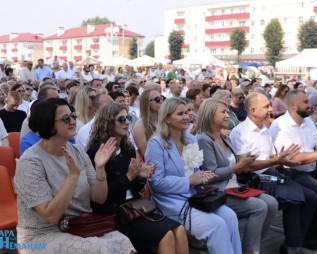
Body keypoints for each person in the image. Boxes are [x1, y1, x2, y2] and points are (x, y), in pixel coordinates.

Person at [14, 98, 135, 254]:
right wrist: (72, 177)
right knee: (100, 249)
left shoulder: (77, 151)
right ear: (48, 124)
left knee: (123, 242)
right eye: (66, 118)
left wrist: (100, 168)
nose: (72, 121)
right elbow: (51, 216)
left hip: (80, 226)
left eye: (73, 116)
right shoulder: (31, 162)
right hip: (41, 235)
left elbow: (99, 197)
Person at [86, 102, 188, 254]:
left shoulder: (127, 149)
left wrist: (140, 177)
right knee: (165, 235)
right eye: (121, 119)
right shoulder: (97, 151)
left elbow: (133, 188)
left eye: (128, 118)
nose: (127, 122)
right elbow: (101, 197)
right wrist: (129, 176)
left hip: (134, 208)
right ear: (108, 122)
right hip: (113, 214)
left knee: (179, 230)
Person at [145, 98, 242, 254]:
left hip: (196, 196)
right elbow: (156, 183)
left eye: (187, 112)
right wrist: (188, 181)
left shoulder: (190, 138)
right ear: (167, 118)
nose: (186, 117)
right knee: (217, 225)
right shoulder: (156, 143)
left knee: (230, 216)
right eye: (180, 114)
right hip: (171, 202)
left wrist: (202, 176)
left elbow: (194, 170)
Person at [230, 92, 317, 254]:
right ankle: (292, 246)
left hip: (271, 173)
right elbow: (246, 167)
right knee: (294, 197)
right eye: (266, 106)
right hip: (256, 178)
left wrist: (284, 160)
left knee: (311, 197)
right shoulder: (240, 132)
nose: (270, 108)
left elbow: (271, 157)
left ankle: (297, 241)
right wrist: (278, 161)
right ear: (253, 110)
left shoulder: (265, 129)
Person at [196, 98, 278, 254]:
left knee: (272, 203)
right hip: (217, 191)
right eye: (223, 112)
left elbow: (237, 165)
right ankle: (250, 250)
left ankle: (252, 245)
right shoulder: (203, 140)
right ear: (209, 114)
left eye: (227, 111)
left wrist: (246, 162)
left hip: (234, 188)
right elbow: (210, 174)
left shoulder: (225, 138)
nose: (228, 116)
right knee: (259, 207)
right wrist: (238, 166)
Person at [270, 90, 317, 251]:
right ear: (293, 105)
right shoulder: (280, 125)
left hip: (308, 169)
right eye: (306, 102)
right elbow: (295, 159)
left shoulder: (308, 123)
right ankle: (295, 242)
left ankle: (306, 237)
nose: (310, 106)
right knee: (315, 195)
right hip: (287, 172)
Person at [132, 88, 163, 157]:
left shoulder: (165, 120)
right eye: (157, 99)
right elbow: (145, 153)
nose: (161, 101)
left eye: (161, 98)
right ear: (147, 102)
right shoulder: (140, 126)